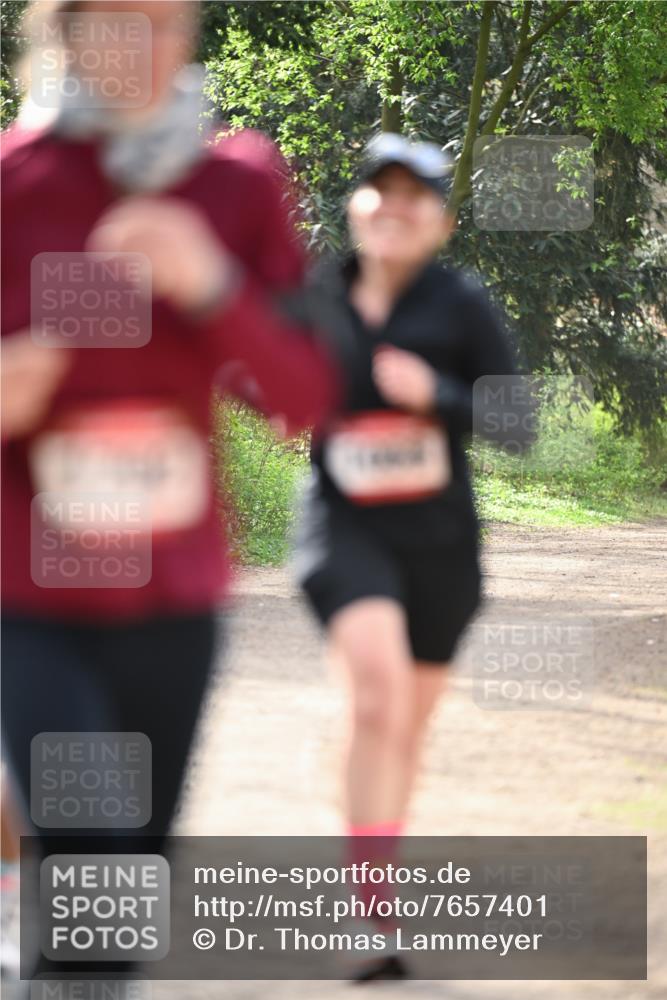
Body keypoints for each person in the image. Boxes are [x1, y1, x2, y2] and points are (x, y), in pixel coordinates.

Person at [1, 0, 339, 979]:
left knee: (123, 893)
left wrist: (209, 286)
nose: (148, 49)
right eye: (120, 22)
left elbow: (305, 395)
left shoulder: (232, 186)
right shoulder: (18, 185)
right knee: (90, 861)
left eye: (168, 23)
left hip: (173, 600)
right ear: (63, 32)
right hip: (33, 600)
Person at [293, 133, 533, 981]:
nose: (392, 207)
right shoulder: (315, 292)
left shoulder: (458, 304)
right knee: (375, 694)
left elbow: (516, 423)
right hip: (342, 526)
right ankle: (368, 916)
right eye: (377, 192)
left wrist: (431, 392)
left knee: (404, 724)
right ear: (355, 207)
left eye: (414, 197)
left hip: (438, 544)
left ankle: (378, 884)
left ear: (443, 221)